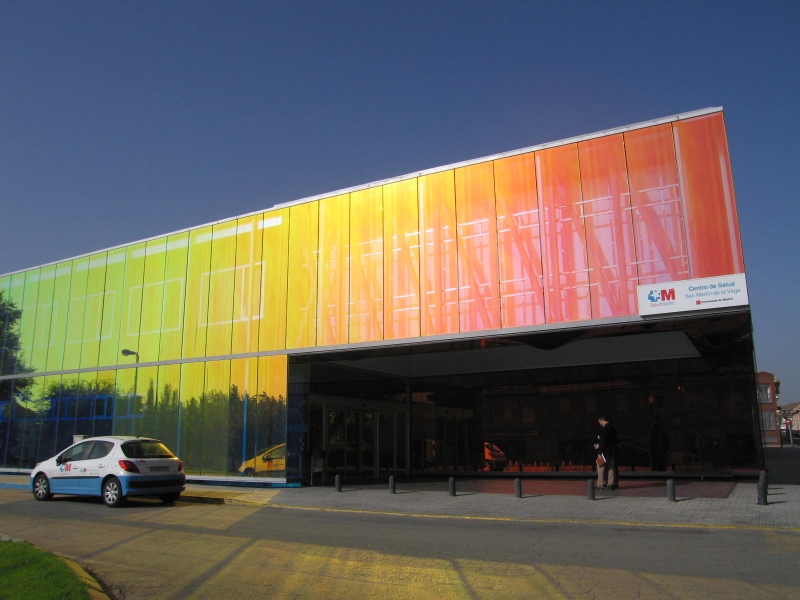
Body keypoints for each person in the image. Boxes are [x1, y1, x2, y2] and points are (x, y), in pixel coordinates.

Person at [594, 415, 618, 490]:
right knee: (611, 467)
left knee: (600, 467)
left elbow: (603, 442)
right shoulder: (613, 428)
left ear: (602, 420)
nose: (599, 423)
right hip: (612, 451)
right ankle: (611, 483)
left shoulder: (605, 429)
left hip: (604, 452)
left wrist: (599, 452)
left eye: (599, 421)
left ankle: (601, 484)